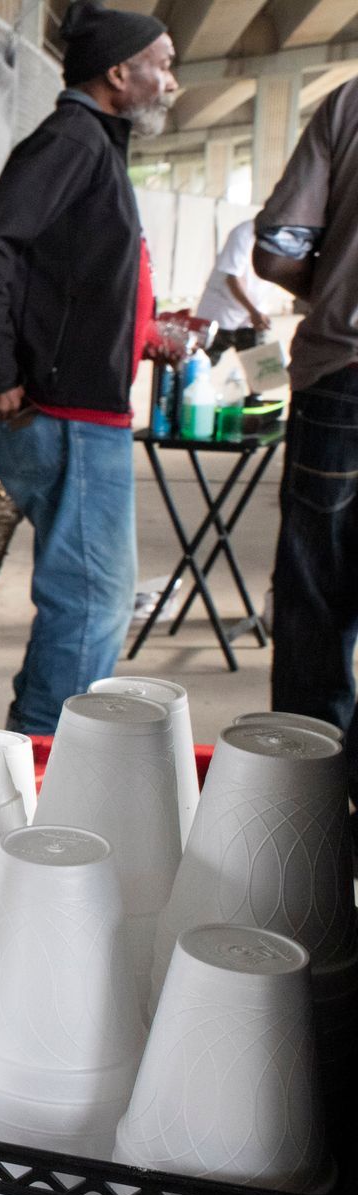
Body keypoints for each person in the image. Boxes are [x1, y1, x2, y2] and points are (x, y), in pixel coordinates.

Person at [0, 0, 178, 736]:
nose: (173, 82)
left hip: (81, 410)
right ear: (119, 72)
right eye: (163, 64)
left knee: (93, 600)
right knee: (89, 602)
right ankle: (47, 765)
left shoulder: (93, 142)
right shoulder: (75, 139)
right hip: (65, 415)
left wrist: (140, 330)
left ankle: (50, 759)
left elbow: (68, 278)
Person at [253, 78, 358, 773]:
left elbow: (277, 247)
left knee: (315, 602)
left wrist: (337, 284)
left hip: (343, 379)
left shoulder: (350, 103)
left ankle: (304, 814)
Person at [194, 219, 276, 364]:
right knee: (199, 367)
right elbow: (232, 279)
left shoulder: (282, 236)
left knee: (261, 375)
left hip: (252, 319)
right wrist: (254, 312)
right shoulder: (244, 233)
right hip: (221, 314)